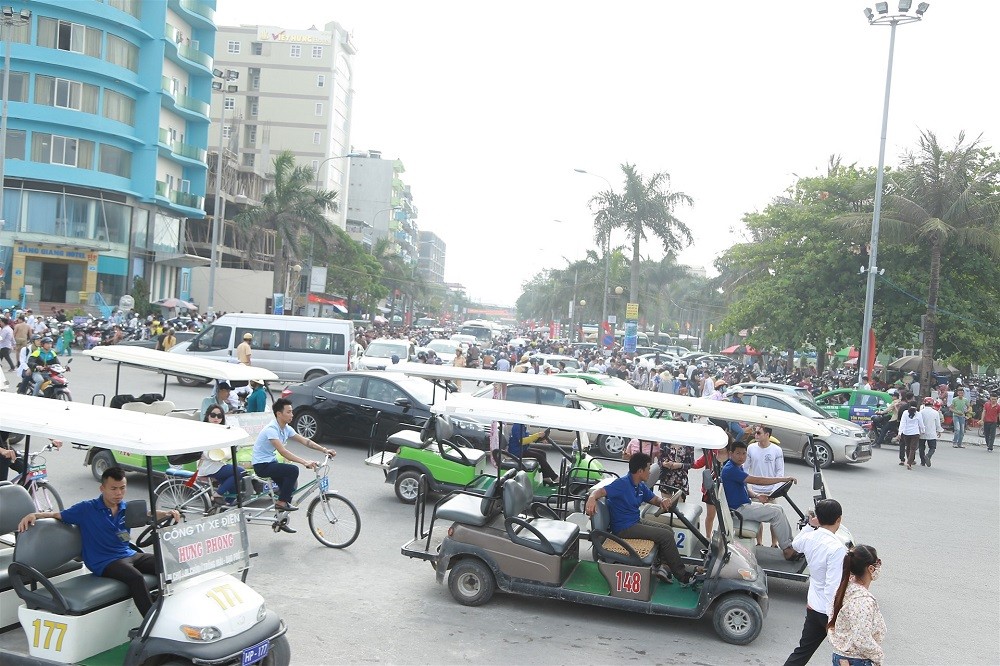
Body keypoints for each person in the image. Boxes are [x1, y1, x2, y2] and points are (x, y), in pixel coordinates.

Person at [17, 467, 181, 616]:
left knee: (168, 565)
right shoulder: (86, 509)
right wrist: (35, 515)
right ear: (102, 488)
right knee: (136, 579)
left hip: (129, 554)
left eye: (122, 488)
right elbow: (57, 515)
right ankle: (151, 622)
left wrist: (168, 513)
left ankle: (170, 608)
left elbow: (149, 514)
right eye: (114, 489)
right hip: (104, 561)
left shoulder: (127, 508)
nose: (119, 493)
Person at [584, 453, 698, 584]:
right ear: (640, 471)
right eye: (648, 469)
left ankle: (660, 567)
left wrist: (662, 501)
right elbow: (601, 491)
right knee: (665, 536)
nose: (650, 472)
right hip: (624, 528)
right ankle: (683, 576)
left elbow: (653, 499)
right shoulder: (622, 484)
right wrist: (592, 498)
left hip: (635, 522)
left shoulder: (640, 485)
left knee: (668, 530)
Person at [782, 499, 848, 666]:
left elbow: (795, 544)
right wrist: (833, 617)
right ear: (839, 519)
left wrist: (810, 526)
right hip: (828, 611)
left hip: (813, 605)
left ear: (818, 518)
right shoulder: (837, 548)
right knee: (848, 656)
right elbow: (832, 586)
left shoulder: (810, 537)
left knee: (802, 652)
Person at [251, 398, 336, 521]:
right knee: (293, 470)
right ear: (279, 414)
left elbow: (306, 441)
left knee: (290, 488)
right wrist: (304, 461)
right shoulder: (271, 429)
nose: (292, 414)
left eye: (292, 412)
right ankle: (281, 504)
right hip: (262, 466)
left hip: (271, 462)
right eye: (289, 412)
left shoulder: (286, 428)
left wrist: (324, 450)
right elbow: (283, 452)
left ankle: (281, 519)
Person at [719, 440, 800, 561]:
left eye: (744, 453)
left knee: (779, 508)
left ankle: (790, 544)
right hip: (739, 511)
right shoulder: (731, 469)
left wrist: (757, 495)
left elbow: (744, 487)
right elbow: (757, 480)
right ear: (731, 454)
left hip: (744, 506)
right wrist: (783, 479)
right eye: (738, 453)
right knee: (776, 513)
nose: (742, 457)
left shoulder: (737, 467)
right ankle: (787, 549)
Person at [828, 545, 886, 666]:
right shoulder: (863, 600)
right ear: (871, 569)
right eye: (878, 563)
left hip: (841, 657)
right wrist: (879, 656)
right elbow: (862, 638)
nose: (879, 567)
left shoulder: (843, 590)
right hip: (858, 660)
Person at [744, 426, 785, 547]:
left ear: (767, 435)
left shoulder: (777, 450)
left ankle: (774, 544)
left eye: (758, 433)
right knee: (757, 519)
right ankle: (759, 543)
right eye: (755, 433)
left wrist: (773, 492)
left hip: (771, 492)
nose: (755, 435)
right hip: (755, 491)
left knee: (776, 517)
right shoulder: (751, 448)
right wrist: (749, 489)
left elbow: (780, 472)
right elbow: (745, 469)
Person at [199, 408, 246, 506]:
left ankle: (225, 505)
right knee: (240, 471)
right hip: (208, 465)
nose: (216, 418)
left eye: (219, 416)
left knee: (234, 489)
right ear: (207, 416)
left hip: (218, 464)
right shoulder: (204, 430)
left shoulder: (222, 430)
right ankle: (217, 495)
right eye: (213, 415)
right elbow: (205, 452)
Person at [897, 401, 923, 469]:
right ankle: (909, 462)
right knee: (913, 448)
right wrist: (923, 431)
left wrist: (900, 433)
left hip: (906, 433)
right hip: (915, 433)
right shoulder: (918, 414)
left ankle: (908, 459)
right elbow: (921, 424)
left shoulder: (905, 412)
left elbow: (902, 423)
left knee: (908, 447)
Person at [918, 397, 943, 467]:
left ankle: (922, 462)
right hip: (931, 433)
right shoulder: (935, 413)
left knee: (921, 447)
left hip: (922, 432)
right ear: (932, 404)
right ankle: (928, 456)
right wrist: (939, 431)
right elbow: (938, 424)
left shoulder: (921, 412)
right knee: (932, 447)